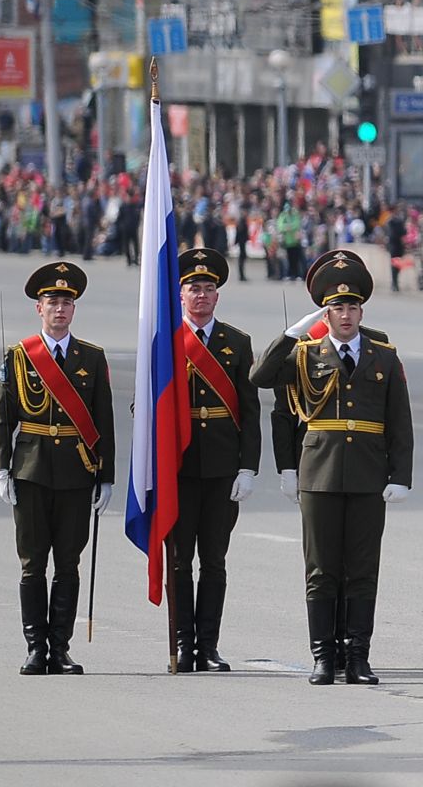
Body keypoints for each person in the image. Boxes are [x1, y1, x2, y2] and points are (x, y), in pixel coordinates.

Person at [255, 253, 414, 685]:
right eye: (336, 308)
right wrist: (290, 335)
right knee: (321, 569)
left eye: (352, 307)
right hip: (320, 474)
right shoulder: (305, 354)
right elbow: (260, 375)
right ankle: (324, 656)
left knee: (362, 569)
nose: (345, 315)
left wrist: (400, 475)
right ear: (325, 313)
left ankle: (358, 656)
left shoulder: (382, 356)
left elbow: (399, 421)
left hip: (367, 475)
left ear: (363, 311)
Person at [0, 261, 113, 676]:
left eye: (66, 301)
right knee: (32, 562)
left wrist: (106, 475)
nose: (59, 308)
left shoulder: (91, 357)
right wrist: (0, 469)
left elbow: (103, 421)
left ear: (74, 309)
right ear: (38, 309)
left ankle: (59, 648)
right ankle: (34, 647)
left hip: (77, 473)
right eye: (52, 301)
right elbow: (2, 418)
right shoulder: (19, 356)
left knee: (68, 562)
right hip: (30, 469)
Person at [170, 248, 261, 672]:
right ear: (180, 293)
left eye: (208, 288)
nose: (201, 296)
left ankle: (207, 646)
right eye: (193, 288)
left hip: (223, 467)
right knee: (178, 560)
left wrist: (248, 466)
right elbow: (145, 407)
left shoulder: (236, 343)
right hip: (179, 468)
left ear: (217, 296)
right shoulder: (165, 340)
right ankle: (182, 644)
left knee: (214, 560)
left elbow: (249, 410)